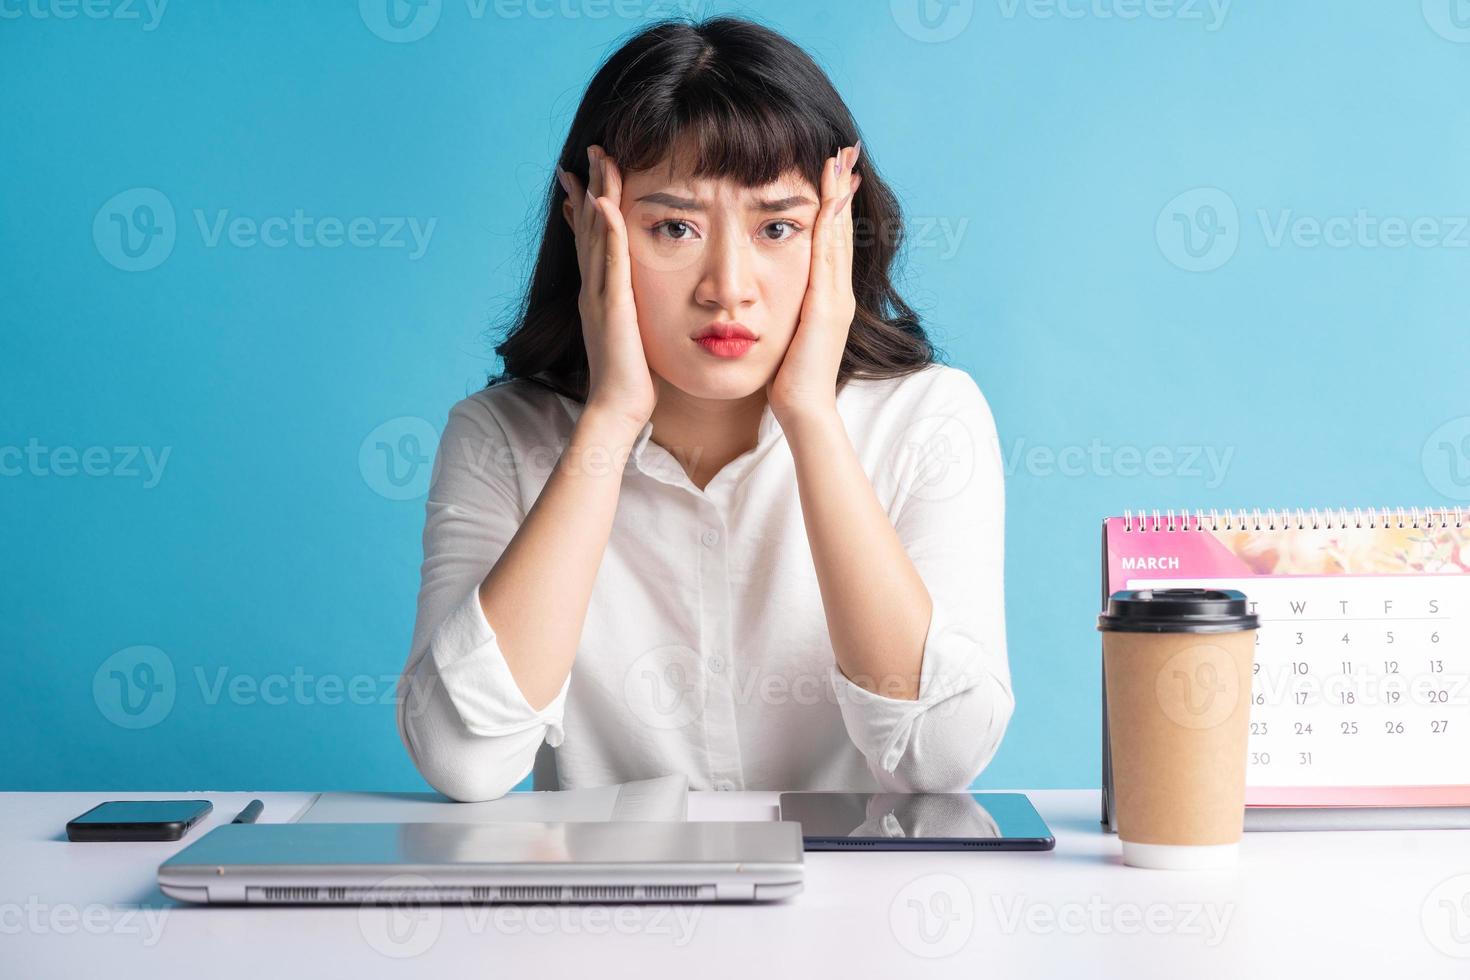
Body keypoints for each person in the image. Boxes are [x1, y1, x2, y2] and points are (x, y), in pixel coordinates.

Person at [395, 16, 1013, 802]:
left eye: (778, 227)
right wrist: (612, 418)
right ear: (586, 223)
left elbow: (942, 756)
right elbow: (463, 761)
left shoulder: (927, 420)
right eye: (674, 227)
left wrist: (811, 420)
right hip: (609, 916)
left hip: (860, 913)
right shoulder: (498, 438)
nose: (729, 285)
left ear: (836, 230)